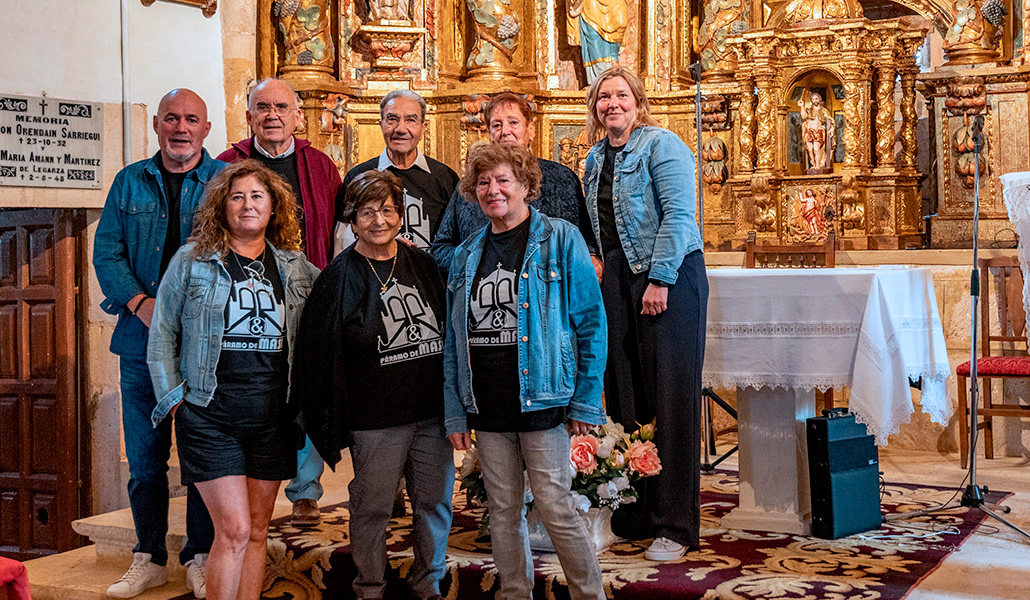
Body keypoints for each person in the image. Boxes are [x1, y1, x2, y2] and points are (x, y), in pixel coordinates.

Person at [147, 160, 320, 600]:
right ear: (221, 206)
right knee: (235, 531)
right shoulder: (192, 261)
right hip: (209, 416)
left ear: (273, 207)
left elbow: (340, 299)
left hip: (271, 417)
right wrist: (176, 401)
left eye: (257, 196)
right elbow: (163, 332)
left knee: (259, 531)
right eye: (237, 196)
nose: (247, 204)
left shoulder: (295, 266)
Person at [445, 143, 607, 600]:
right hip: (487, 400)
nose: (493, 190)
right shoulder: (466, 254)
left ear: (525, 187)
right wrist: (456, 411)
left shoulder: (560, 238)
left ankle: (588, 594)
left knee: (556, 506)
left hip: (542, 395)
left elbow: (591, 323)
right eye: (483, 183)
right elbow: (453, 342)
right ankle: (514, 592)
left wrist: (586, 399)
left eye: (502, 181)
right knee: (502, 509)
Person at [293, 170, 453, 600]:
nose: (378, 220)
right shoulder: (338, 277)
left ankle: (428, 585)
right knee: (373, 508)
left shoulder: (422, 264)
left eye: (387, 210)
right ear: (352, 219)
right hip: (375, 418)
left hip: (431, 413)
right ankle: (369, 588)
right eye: (367, 212)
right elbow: (317, 353)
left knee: (434, 505)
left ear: (401, 214)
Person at [93, 88, 222, 599]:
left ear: (206, 129)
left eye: (192, 119)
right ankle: (147, 556)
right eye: (172, 118)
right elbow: (107, 254)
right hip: (139, 344)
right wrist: (143, 304)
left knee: (198, 460)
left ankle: (199, 555)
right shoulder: (129, 183)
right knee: (146, 460)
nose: (181, 127)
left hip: (203, 347)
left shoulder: (223, 182)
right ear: (159, 126)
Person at [581, 66, 708, 561]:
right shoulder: (593, 158)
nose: (612, 103)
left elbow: (678, 215)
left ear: (638, 100)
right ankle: (635, 511)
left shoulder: (663, 145)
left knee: (671, 400)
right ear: (595, 107)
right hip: (616, 277)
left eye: (621, 95)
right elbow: (601, 228)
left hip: (668, 275)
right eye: (603, 97)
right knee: (627, 397)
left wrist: (660, 279)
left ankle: (674, 525)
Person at [217, 77, 342, 527]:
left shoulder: (322, 166)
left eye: (281, 107)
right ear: (248, 115)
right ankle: (250, 483)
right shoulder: (227, 164)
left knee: (305, 386)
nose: (272, 115)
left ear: (297, 116)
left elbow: (339, 231)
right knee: (263, 388)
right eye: (262, 107)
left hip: (307, 291)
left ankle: (305, 489)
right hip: (242, 297)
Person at [430, 92, 587, 273]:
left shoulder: (562, 179)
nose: (505, 131)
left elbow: (585, 243)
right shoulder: (472, 184)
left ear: (531, 129)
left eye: (514, 123)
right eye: (497, 125)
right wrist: (480, 260)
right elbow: (441, 249)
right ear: (489, 133)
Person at [340, 90, 458, 251]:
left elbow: (456, 238)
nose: (400, 129)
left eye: (411, 120)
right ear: (381, 125)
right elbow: (342, 240)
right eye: (392, 119)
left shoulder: (446, 178)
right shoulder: (358, 177)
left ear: (423, 128)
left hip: (431, 273)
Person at [799, 89, 835, 173]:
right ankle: (814, 165)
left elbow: (831, 120)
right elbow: (804, 117)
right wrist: (802, 106)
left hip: (818, 131)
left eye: (816, 99)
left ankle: (818, 165)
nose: (814, 100)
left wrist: (832, 129)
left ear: (819, 99)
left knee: (816, 149)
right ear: (811, 100)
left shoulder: (823, 110)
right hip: (809, 131)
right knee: (810, 149)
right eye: (813, 99)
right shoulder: (809, 110)